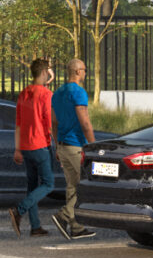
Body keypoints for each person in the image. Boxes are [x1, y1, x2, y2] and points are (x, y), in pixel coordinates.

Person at [51, 55, 100, 243]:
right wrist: (93, 144)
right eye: (85, 70)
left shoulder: (58, 93)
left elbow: (54, 122)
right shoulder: (78, 92)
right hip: (75, 146)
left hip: (63, 146)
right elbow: (85, 122)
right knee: (84, 187)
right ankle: (64, 216)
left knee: (72, 186)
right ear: (78, 72)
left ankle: (76, 227)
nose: (86, 73)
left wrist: (56, 145)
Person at [12, 57, 60, 236]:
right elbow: (50, 123)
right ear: (43, 73)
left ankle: (35, 226)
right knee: (48, 184)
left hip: (24, 146)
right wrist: (57, 146)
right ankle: (19, 210)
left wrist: (17, 149)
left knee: (32, 186)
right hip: (40, 145)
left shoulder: (24, 93)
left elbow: (18, 123)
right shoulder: (46, 95)